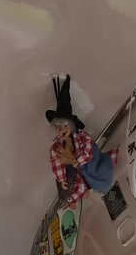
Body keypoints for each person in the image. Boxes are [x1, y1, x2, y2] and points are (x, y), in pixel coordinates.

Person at [46, 75, 116, 205]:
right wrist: (61, 178)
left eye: (65, 125)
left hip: (86, 165)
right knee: (72, 185)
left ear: (72, 125)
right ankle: (75, 197)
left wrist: (77, 161)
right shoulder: (56, 145)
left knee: (99, 168)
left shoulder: (82, 136)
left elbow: (88, 149)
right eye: (58, 127)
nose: (62, 130)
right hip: (74, 171)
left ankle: (88, 186)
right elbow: (56, 162)